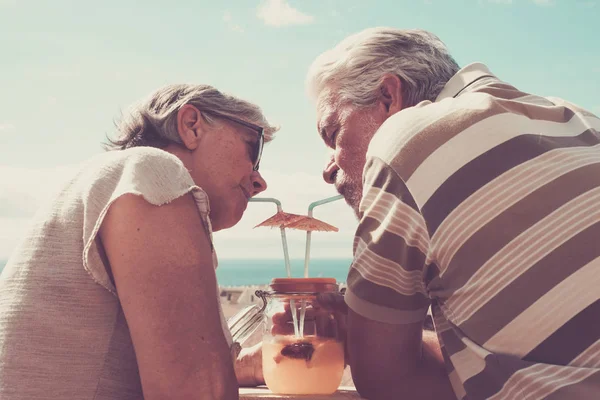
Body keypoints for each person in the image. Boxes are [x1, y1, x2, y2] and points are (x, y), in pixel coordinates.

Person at [305, 27, 600, 399]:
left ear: (388, 97)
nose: (328, 168)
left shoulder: (406, 140)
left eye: (333, 134)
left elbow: (388, 384)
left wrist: (365, 335)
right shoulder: (582, 121)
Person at [0, 84, 277, 400]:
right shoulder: (152, 174)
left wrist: (252, 363)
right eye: (252, 149)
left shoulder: (101, 185)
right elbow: (196, 391)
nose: (259, 180)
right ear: (191, 126)